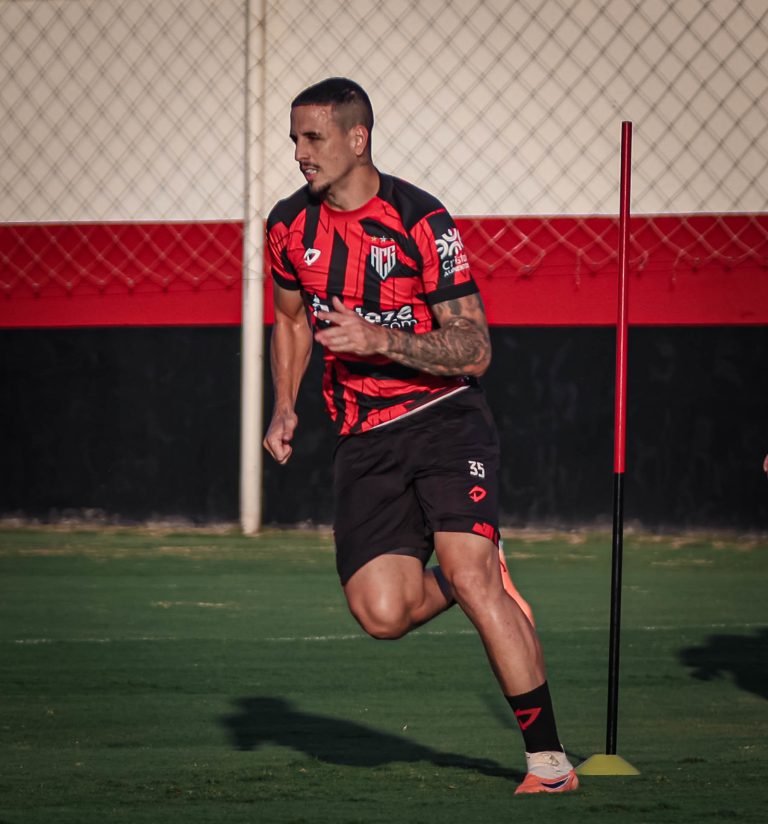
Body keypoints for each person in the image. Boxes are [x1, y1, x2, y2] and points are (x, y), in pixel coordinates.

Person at [263, 77, 578, 795]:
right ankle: (487, 574)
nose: (300, 154)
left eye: (313, 138)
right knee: (383, 614)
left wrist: (379, 338)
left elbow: (474, 349)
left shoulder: (419, 220)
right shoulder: (288, 226)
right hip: (361, 436)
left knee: (471, 579)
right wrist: (285, 404)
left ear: (357, 137)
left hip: (443, 419)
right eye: (294, 140)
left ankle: (550, 765)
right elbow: (287, 319)